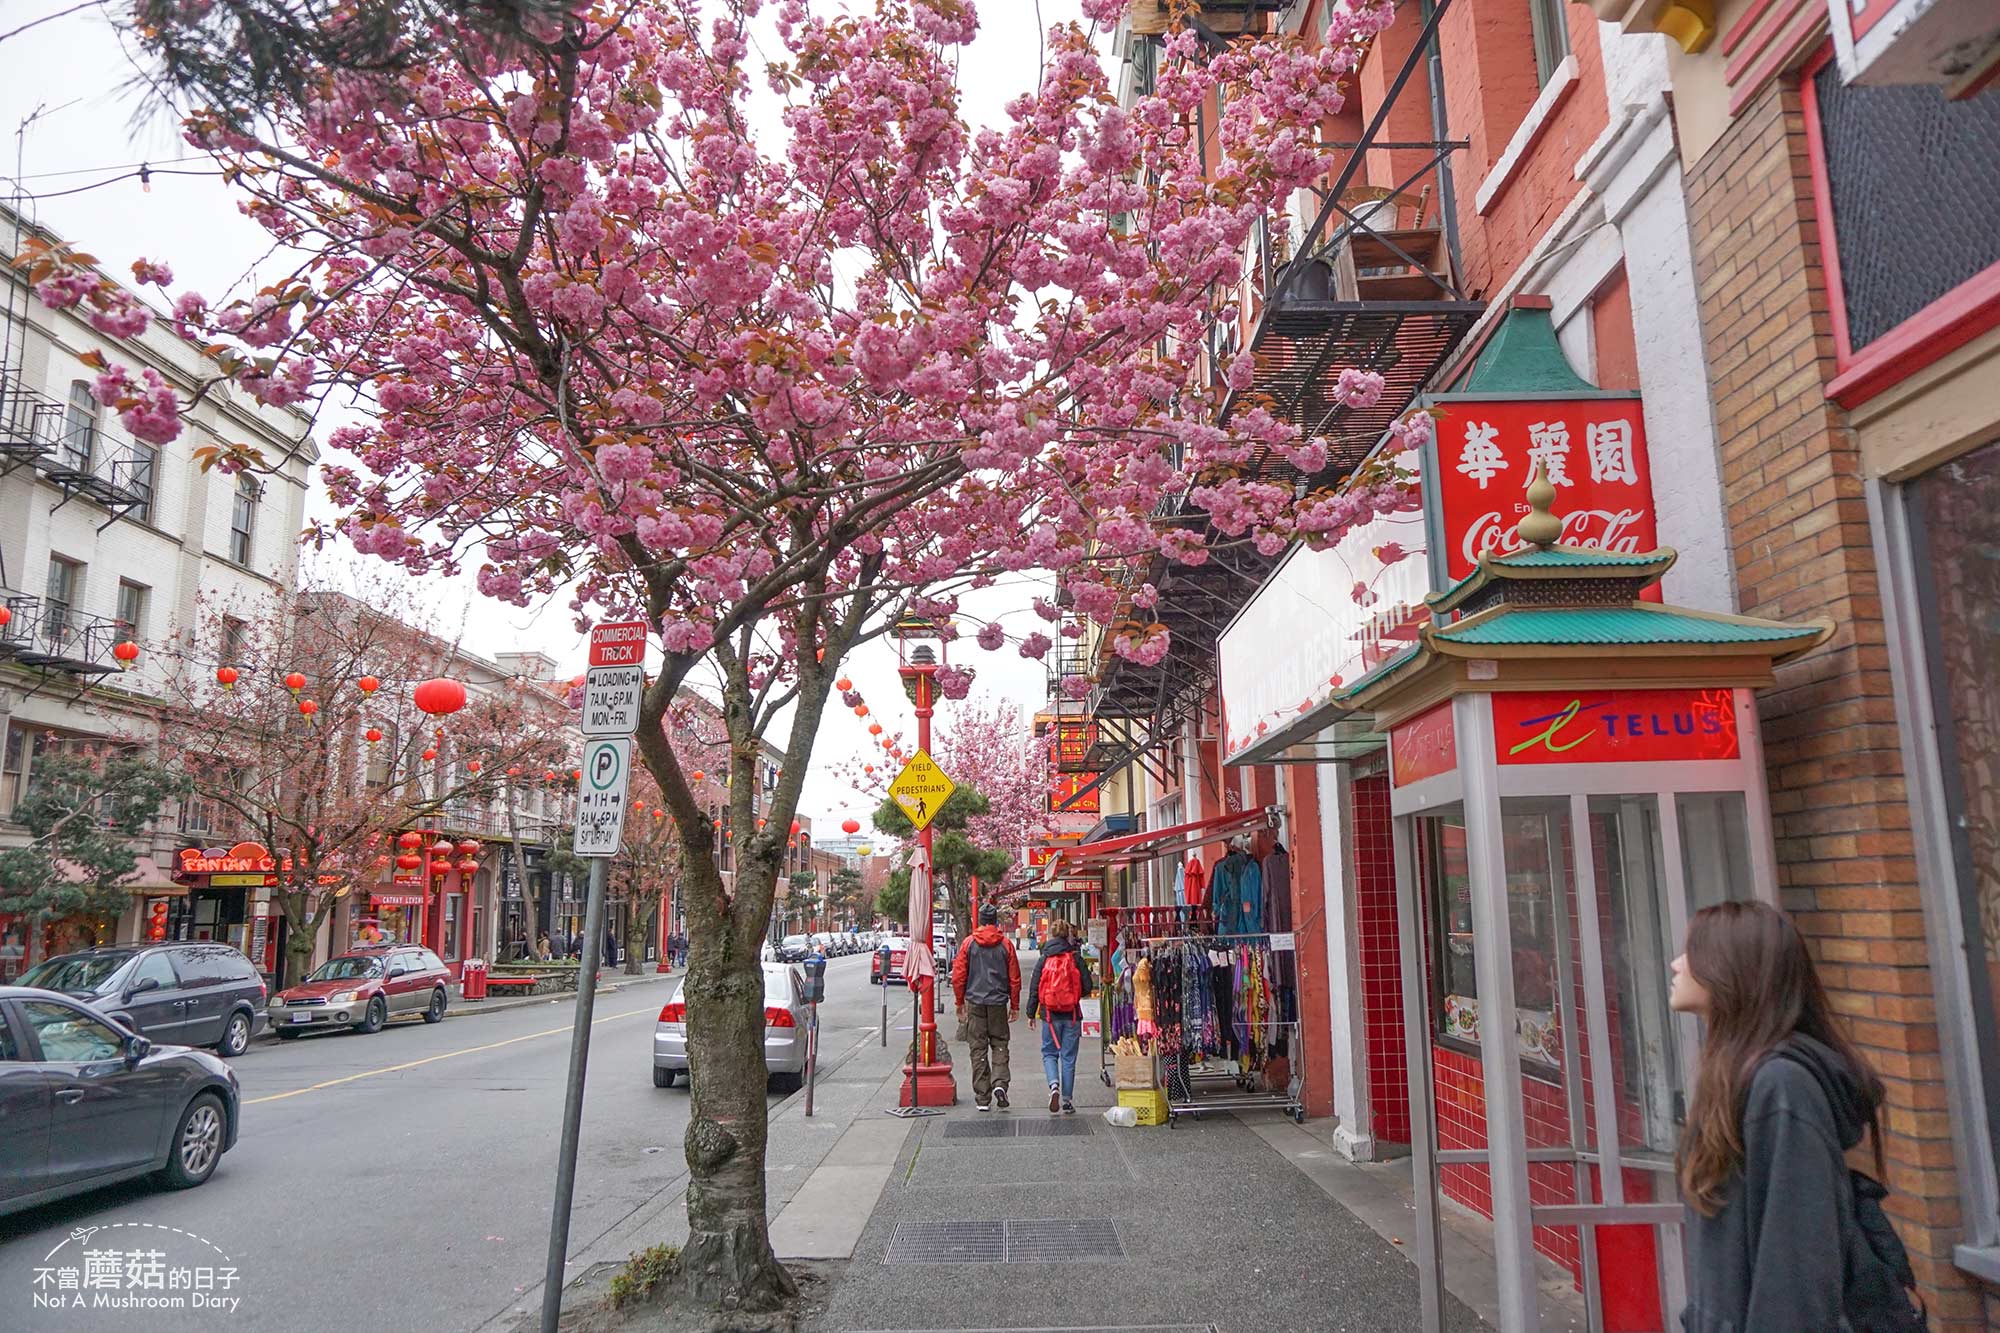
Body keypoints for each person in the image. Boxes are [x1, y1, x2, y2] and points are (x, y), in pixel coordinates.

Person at [1672, 900, 1921, 1332]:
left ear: (1731, 969)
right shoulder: (1740, 1078)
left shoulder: (1781, 1086)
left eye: (1692, 952)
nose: (1676, 964)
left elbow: (1795, 1271)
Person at [952, 903, 1022, 1112]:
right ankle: (1000, 1083)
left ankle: (983, 1096)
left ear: (980, 920)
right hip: (998, 1002)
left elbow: (958, 976)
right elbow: (1014, 977)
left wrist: (959, 1001)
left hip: (975, 1002)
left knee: (978, 1047)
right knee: (1000, 1043)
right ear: (995, 921)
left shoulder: (968, 944)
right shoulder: (1006, 945)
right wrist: (1015, 1004)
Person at [1025, 918, 1094, 1114]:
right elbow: (1088, 986)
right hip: (1072, 1014)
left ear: (1051, 935)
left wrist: (1031, 1013)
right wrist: (1073, 996)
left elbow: (1034, 987)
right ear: (1067, 935)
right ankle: (1067, 1100)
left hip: (1049, 1015)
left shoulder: (1044, 958)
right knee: (1068, 1057)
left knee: (1049, 1053)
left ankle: (1053, 1085)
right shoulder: (1075, 957)